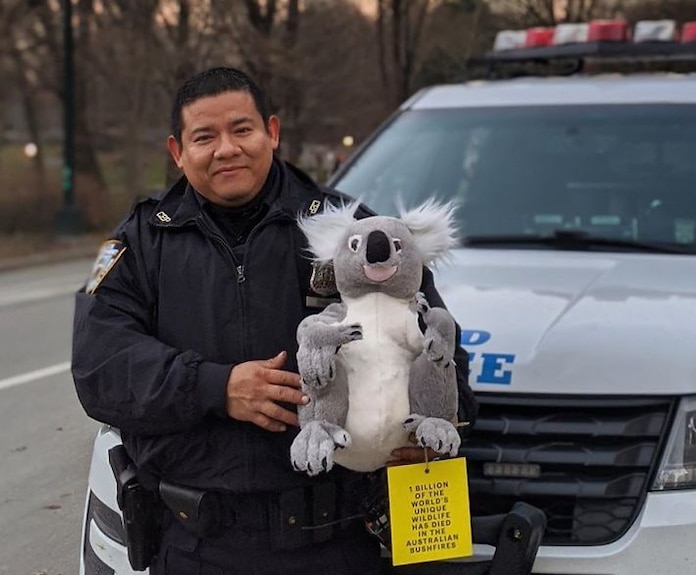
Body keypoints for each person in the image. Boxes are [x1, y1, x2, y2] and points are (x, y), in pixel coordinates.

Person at [71, 66, 476, 575]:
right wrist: (215, 387)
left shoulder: (347, 231)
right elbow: (98, 369)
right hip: (197, 546)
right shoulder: (138, 242)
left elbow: (444, 357)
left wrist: (419, 433)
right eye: (205, 137)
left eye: (242, 129)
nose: (226, 149)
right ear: (178, 152)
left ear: (272, 133)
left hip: (338, 543)